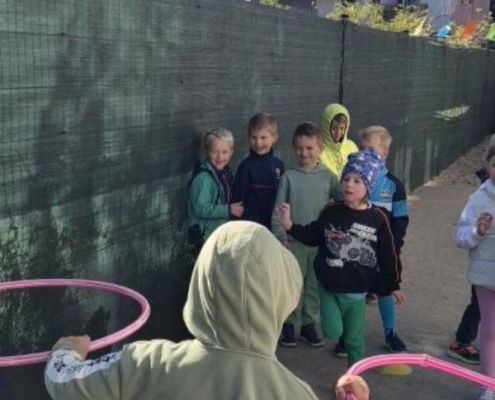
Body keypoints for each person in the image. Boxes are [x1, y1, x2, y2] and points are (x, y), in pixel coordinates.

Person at [44, 221, 320, 400]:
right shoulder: (298, 394)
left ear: (201, 281)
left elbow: (62, 379)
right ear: (283, 294)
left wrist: (67, 350)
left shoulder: (145, 363)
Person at [277, 150, 405, 367]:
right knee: (332, 331)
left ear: (368, 187)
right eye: (346, 179)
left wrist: (394, 284)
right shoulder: (331, 211)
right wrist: (289, 225)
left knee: (354, 341)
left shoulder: (378, 217)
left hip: (358, 292)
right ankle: (342, 335)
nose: (349, 185)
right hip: (329, 288)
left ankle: (354, 377)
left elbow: (387, 254)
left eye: (357, 181)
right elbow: (313, 234)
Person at [271, 122, 340, 348]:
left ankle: (309, 325)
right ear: (294, 149)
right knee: (291, 285)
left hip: (319, 243)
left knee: (313, 286)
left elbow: (344, 200)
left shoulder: (328, 176)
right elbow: (278, 209)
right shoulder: (289, 177)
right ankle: (288, 324)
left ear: (320, 148)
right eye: (299, 148)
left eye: (309, 148)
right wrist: (281, 236)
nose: (304, 153)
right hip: (293, 243)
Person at [349, 126, 408, 353]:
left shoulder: (394, 185)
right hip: (356, 249)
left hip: (383, 251)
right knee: (355, 294)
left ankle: (390, 333)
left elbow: (400, 220)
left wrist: (394, 247)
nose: (367, 155)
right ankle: (349, 336)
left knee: (384, 291)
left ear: (385, 152)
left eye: (372, 150)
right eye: (363, 149)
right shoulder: (354, 181)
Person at [448, 134, 495, 365]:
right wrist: (478, 231)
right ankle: (463, 343)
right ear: (488, 164)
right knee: (488, 327)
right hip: (485, 276)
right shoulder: (478, 199)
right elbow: (462, 236)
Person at [187, 128, 244, 254]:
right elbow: (200, 208)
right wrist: (228, 210)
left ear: (231, 152)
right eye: (214, 152)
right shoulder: (203, 178)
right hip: (204, 237)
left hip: (218, 234)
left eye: (224, 152)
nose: (220, 157)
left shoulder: (226, 173)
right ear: (207, 151)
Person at [233, 113, 284, 230]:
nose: (258, 143)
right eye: (254, 138)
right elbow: (238, 202)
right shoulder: (245, 167)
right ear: (248, 137)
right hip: (252, 227)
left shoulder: (279, 164)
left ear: (274, 138)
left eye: (263, 138)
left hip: (274, 226)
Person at [318, 103, 358, 178]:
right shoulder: (319, 151)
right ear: (326, 127)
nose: (338, 133)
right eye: (334, 128)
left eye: (342, 128)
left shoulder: (352, 147)